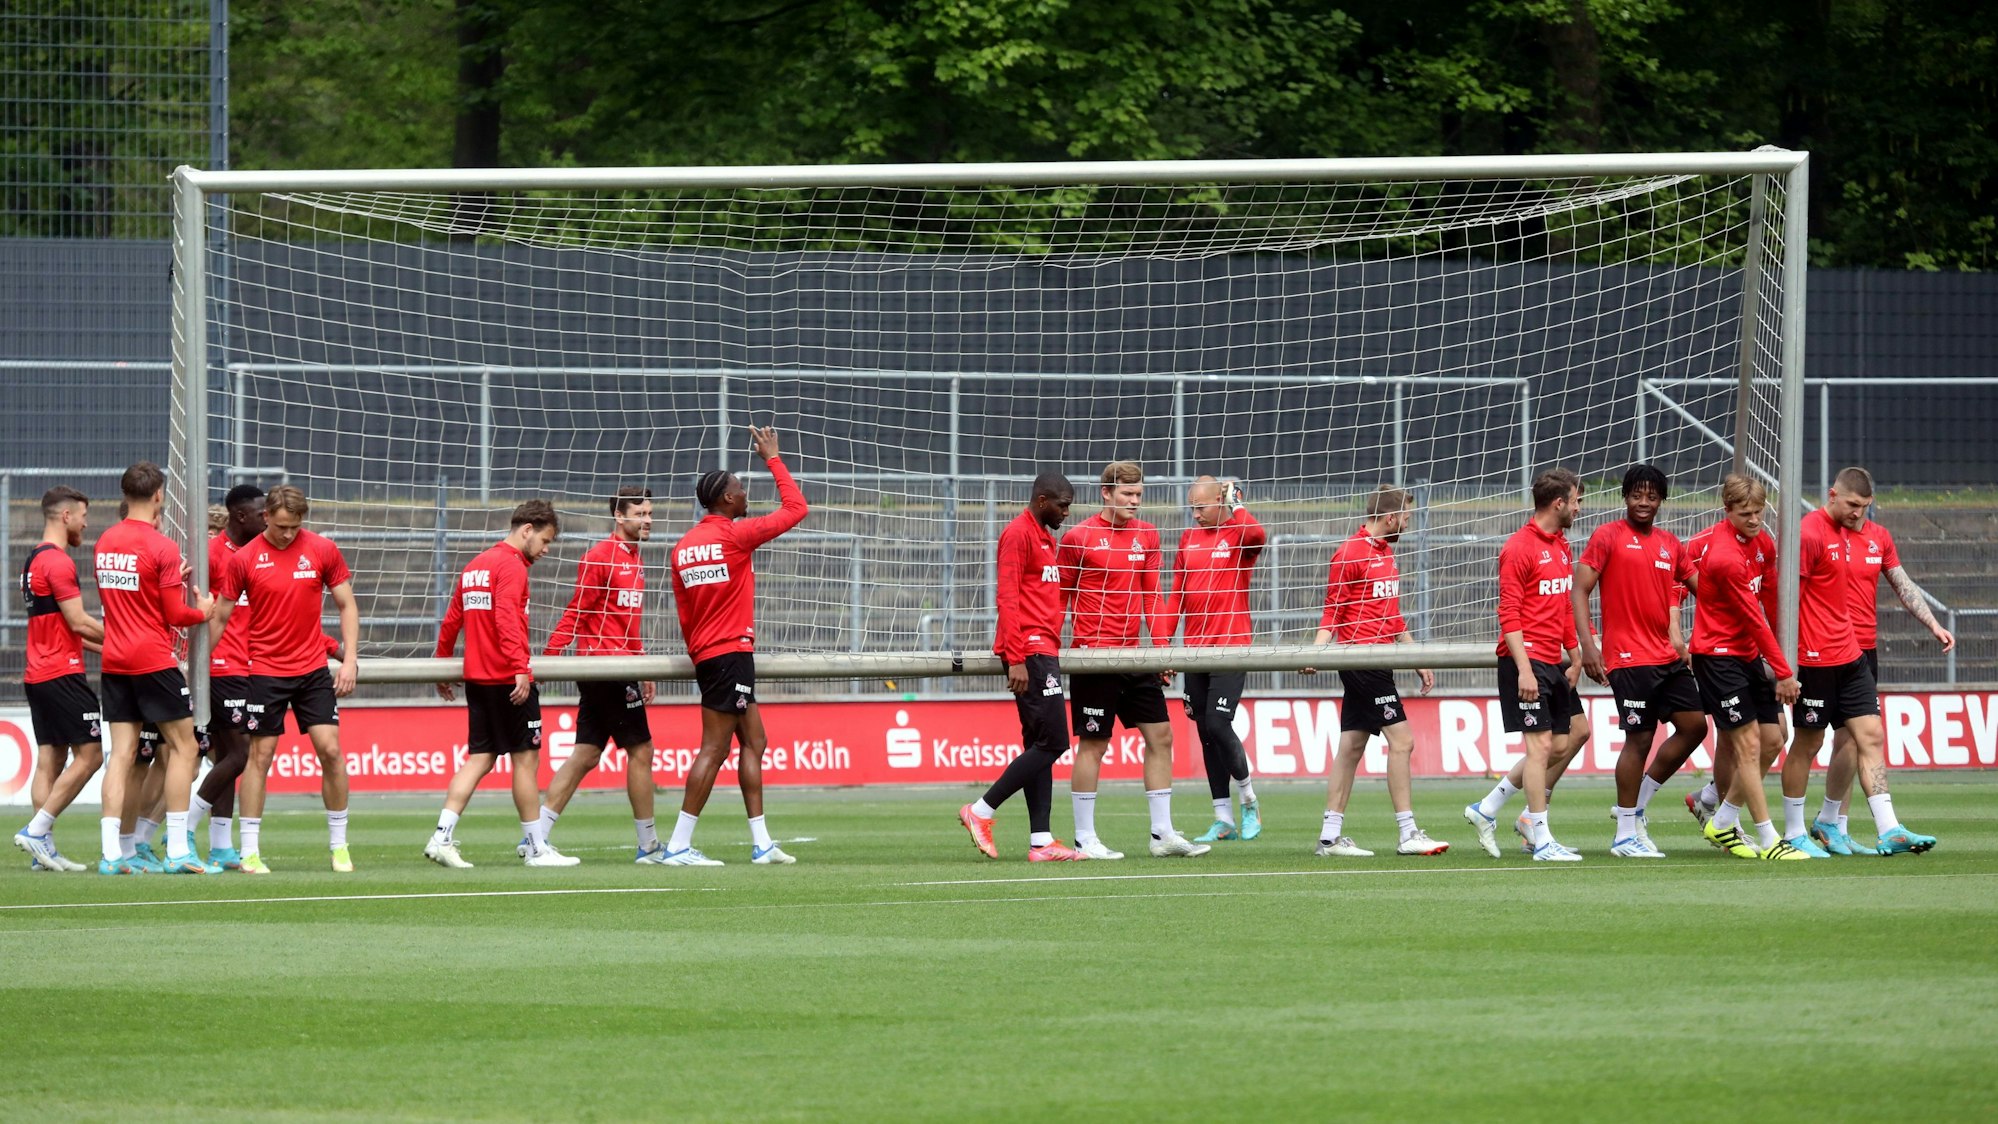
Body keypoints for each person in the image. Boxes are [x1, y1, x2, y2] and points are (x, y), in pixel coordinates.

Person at [661, 425, 809, 866]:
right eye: (742, 490)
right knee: (714, 749)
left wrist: (700, 651)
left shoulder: (683, 546)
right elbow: (796, 508)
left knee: (756, 742)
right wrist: (774, 458)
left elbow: (684, 613)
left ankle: (762, 843)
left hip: (710, 653)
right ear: (726, 499)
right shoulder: (734, 535)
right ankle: (678, 845)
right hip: (730, 653)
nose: (746, 496)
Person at [1780, 470, 1937, 856]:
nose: (1858, 514)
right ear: (1833, 495)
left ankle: (1885, 828)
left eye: (1865, 507)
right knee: (1809, 741)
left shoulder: (1871, 536)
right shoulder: (1811, 532)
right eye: (1852, 505)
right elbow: (1787, 597)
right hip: (1814, 658)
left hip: (1855, 654)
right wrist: (1783, 665)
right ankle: (1794, 831)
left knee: (1865, 737)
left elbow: (1901, 582)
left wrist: (1933, 623)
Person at [1060, 461, 1207, 860]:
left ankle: (1162, 834)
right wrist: (1051, 652)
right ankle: (1084, 838)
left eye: (1139, 495)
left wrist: (1160, 650)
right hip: (1094, 656)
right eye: (1127, 494)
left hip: (1136, 653)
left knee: (1161, 736)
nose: (1135, 502)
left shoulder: (1147, 535)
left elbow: (1151, 598)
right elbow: (1060, 599)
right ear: (1106, 493)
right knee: (1094, 743)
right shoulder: (1078, 537)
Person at [212, 486, 360, 873]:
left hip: (312, 670)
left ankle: (340, 846)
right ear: (266, 518)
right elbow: (221, 616)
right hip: (263, 670)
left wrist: (350, 660)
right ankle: (250, 852)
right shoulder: (244, 559)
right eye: (281, 526)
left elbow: (347, 604)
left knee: (330, 751)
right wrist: (197, 664)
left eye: (295, 527)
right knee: (259, 757)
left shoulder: (323, 549)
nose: (288, 534)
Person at [1571, 465, 1705, 858]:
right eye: (1636, 495)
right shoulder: (1607, 536)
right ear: (1625, 497)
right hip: (1628, 658)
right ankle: (1624, 835)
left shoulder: (1670, 544)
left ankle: (1637, 805)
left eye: (1651, 496)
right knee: (1640, 738)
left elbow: (1708, 592)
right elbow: (1579, 591)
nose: (1643, 502)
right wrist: (1589, 645)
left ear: (1661, 500)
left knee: (1695, 726)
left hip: (1666, 656)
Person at [425, 500, 566, 869]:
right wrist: (520, 667)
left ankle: (441, 836)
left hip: (478, 679)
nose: (546, 549)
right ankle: (537, 849)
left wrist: (442, 665)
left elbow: (451, 619)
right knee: (526, 759)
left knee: (480, 758)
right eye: (545, 540)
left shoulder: (475, 566)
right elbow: (506, 618)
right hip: (508, 679)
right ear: (527, 530)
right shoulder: (511, 565)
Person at [92, 461, 217, 874]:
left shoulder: (105, 540)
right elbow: (173, 614)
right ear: (159, 495)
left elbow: (128, 596)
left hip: (114, 660)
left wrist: (165, 582)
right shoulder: (162, 547)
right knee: (185, 747)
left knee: (122, 756)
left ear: (125, 494)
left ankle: (113, 854)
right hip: (152, 659)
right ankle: (178, 848)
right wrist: (202, 611)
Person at [1308, 485, 1444, 858]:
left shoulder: (1387, 554)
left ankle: (1329, 838)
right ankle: (1408, 833)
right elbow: (1331, 612)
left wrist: (1417, 657)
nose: (1407, 524)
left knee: (1351, 746)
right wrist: (1314, 653)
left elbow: (1393, 616)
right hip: (1362, 661)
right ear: (1390, 517)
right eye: (1405, 518)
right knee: (1403, 741)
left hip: (1381, 660)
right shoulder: (1349, 553)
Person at [959, 472, 1085, 861]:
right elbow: (1007, 597)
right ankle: (980, 811)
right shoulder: (1018, 534)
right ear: (1042, 500)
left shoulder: (1047, 538)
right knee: (1055, 743)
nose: (1067, 512)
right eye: (1062, 505)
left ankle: (1041, 841)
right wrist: (1015, 657)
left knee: (1038, 745)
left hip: (1042, 648)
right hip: (1028, 652)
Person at [536, 486, 666, 863]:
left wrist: (643, 664)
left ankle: (536, 836)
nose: (648, 520)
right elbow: (577, 608)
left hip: (622, 664)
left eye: (650, 514)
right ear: (619, 516)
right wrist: (550, 656)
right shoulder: (601, 556)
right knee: (641, 750)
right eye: (640, 514)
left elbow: (628, 622)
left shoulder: (634, 557)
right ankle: (649, 846)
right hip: (606, 667)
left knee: (586, 754)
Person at [1463, 468, 1587, 861]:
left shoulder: (1563, 546)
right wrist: (1525, 669)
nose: (1580, 508)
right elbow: (1509, 614)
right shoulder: (1519, 547)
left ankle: (1488, 807)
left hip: (1553, 660)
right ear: (1559, 503)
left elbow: (1564, 605)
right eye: (1577, 500)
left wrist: (1576, 652)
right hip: (1526, 661)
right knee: (1541, 748)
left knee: (1568, 740)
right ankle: (1542, 838)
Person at [1687, 474, 1806, 859]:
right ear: (1727, 511)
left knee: (1774, 739)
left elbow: (1770, 601)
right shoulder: (1723, 557)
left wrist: (1788, 652)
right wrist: (1784, 672)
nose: (1754, 520)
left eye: (1758, 512)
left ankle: (1721, 821)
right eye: (1745, 514)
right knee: (1750, 745)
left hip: (1747, 656)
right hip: (1717, 657)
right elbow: (1754, 618)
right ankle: (1770, 838)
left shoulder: (1762, 543)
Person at [1161, 476, 1267, 842]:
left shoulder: (1238, 533)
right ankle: (1222, 818)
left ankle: (1249, 800)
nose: (1195, 514)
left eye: (1201, 507)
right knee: (1206, 732)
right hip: (1194, 650)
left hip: (1231, 646)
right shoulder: (1189, 539)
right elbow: (1176, 594)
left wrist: (1237, 504)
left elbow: (1259, 536)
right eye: (1191, 507)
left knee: (1219, 724)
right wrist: (1164, 647)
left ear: (1221, 501)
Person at [12, 485, 105, 872]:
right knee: (92, 755)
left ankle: (41, 852)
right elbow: (79, 622)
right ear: (65, 516)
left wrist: (114, 650)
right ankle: (37, 830)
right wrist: (136, 639)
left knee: (51, 755)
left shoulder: (32, 560)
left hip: (38, 672)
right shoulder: (59, 562)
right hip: (62, 673)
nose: (86, 523)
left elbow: (63, 628)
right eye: (83, 516)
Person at [185, 483, 266, 869]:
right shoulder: (214, 554)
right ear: (240, 516)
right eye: (260, 513)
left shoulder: (257, 556)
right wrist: (199, 662)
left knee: (225, 756)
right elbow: (205, 610)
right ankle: (184, 827)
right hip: (221, 666)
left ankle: (219, 845)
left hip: (247, 665)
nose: (266, 519)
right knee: (239, 754)